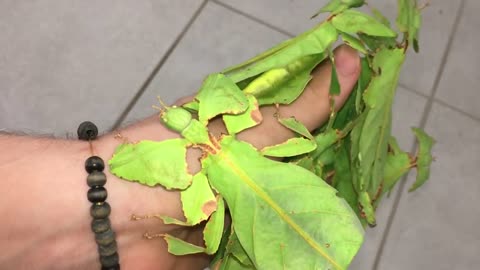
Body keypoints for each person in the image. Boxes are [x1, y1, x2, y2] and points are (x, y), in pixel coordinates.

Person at [0, 45, 361, 270]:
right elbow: (305, 145)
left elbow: (196, 210)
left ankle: (111, 219)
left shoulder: (200, 176)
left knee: (206, 228)